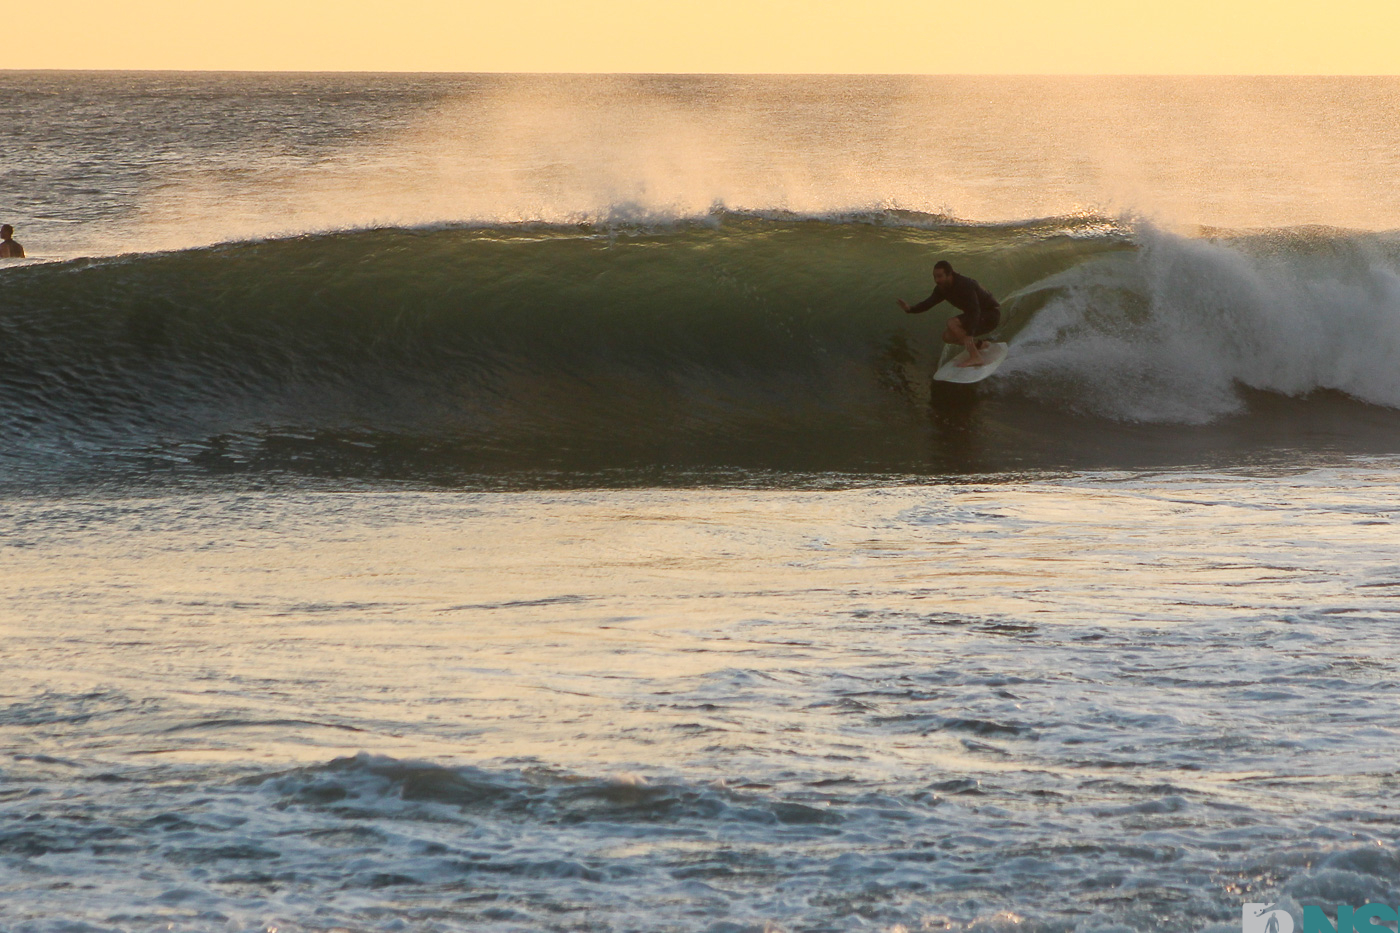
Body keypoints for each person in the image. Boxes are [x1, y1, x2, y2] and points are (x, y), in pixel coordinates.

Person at [896, 260, 1000, 367]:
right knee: (947, 337)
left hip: (990, 315)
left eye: (940, 276)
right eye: (935, 277)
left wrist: (970, 333)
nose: (936, 280)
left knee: (951, 323)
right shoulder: (942, 289)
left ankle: (975, 356)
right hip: (976, 316)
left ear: (950, 274)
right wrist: (910, 309)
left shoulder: (965, 285)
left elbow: (975, 310)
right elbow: (928, 304)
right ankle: (981, 345)